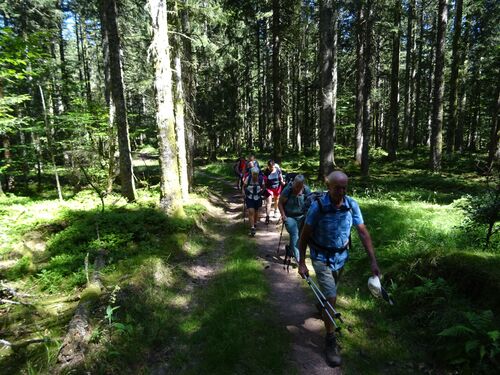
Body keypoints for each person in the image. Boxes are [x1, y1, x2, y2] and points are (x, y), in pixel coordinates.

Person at [297, 170, 381, 368]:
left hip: (341, 257)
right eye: (337, 188)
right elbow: (304, 236)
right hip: (320, 258)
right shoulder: (318, 207)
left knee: (331, 293)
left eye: (345, 188)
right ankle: (330, 339)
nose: (341, 192)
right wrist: (302, 262)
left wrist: (373, 261)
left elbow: (362, 232)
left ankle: (324, 305)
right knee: (332, 296)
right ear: (328, 187)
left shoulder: (351, 205)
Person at [278, 174, 311, 262]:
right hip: (289, 216)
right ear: (293, 183)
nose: (296, 188)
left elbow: (310, 204)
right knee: (294, 233)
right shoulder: (288, 190)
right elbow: (280, 203)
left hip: (302, 216)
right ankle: (299, 260)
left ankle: (291, 249)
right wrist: (283, 215)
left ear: (303, 185)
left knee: (301, 236)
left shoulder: (306, 190)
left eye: (299, 187)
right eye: (295, 185)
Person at [243, 167, 265, 236]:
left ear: (258, 174)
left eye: (256, 174)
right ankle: (252, 227)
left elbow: (264, 187)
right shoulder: (248, 178)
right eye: (253, 174)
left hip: (257, 197)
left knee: (256, 211)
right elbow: (244, 187)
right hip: (249, 197)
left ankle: (255, 224)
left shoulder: (261, 179)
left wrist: (261, 193)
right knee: (251, 211)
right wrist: (243, 193)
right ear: (251, 174)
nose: (255, 175)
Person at [263, 159, 285, 224]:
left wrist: (282, 182)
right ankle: (267, 217)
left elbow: (281, 178)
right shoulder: (266, 172)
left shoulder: (278, 170)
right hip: (269, 188)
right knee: (269, 201)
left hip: (277, 187)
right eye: (270, 167)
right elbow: (264, 180)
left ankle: (275, 211)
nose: (271, 168)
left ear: (274, 166)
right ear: (268, 166)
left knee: (276, 199)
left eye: (272, 167)